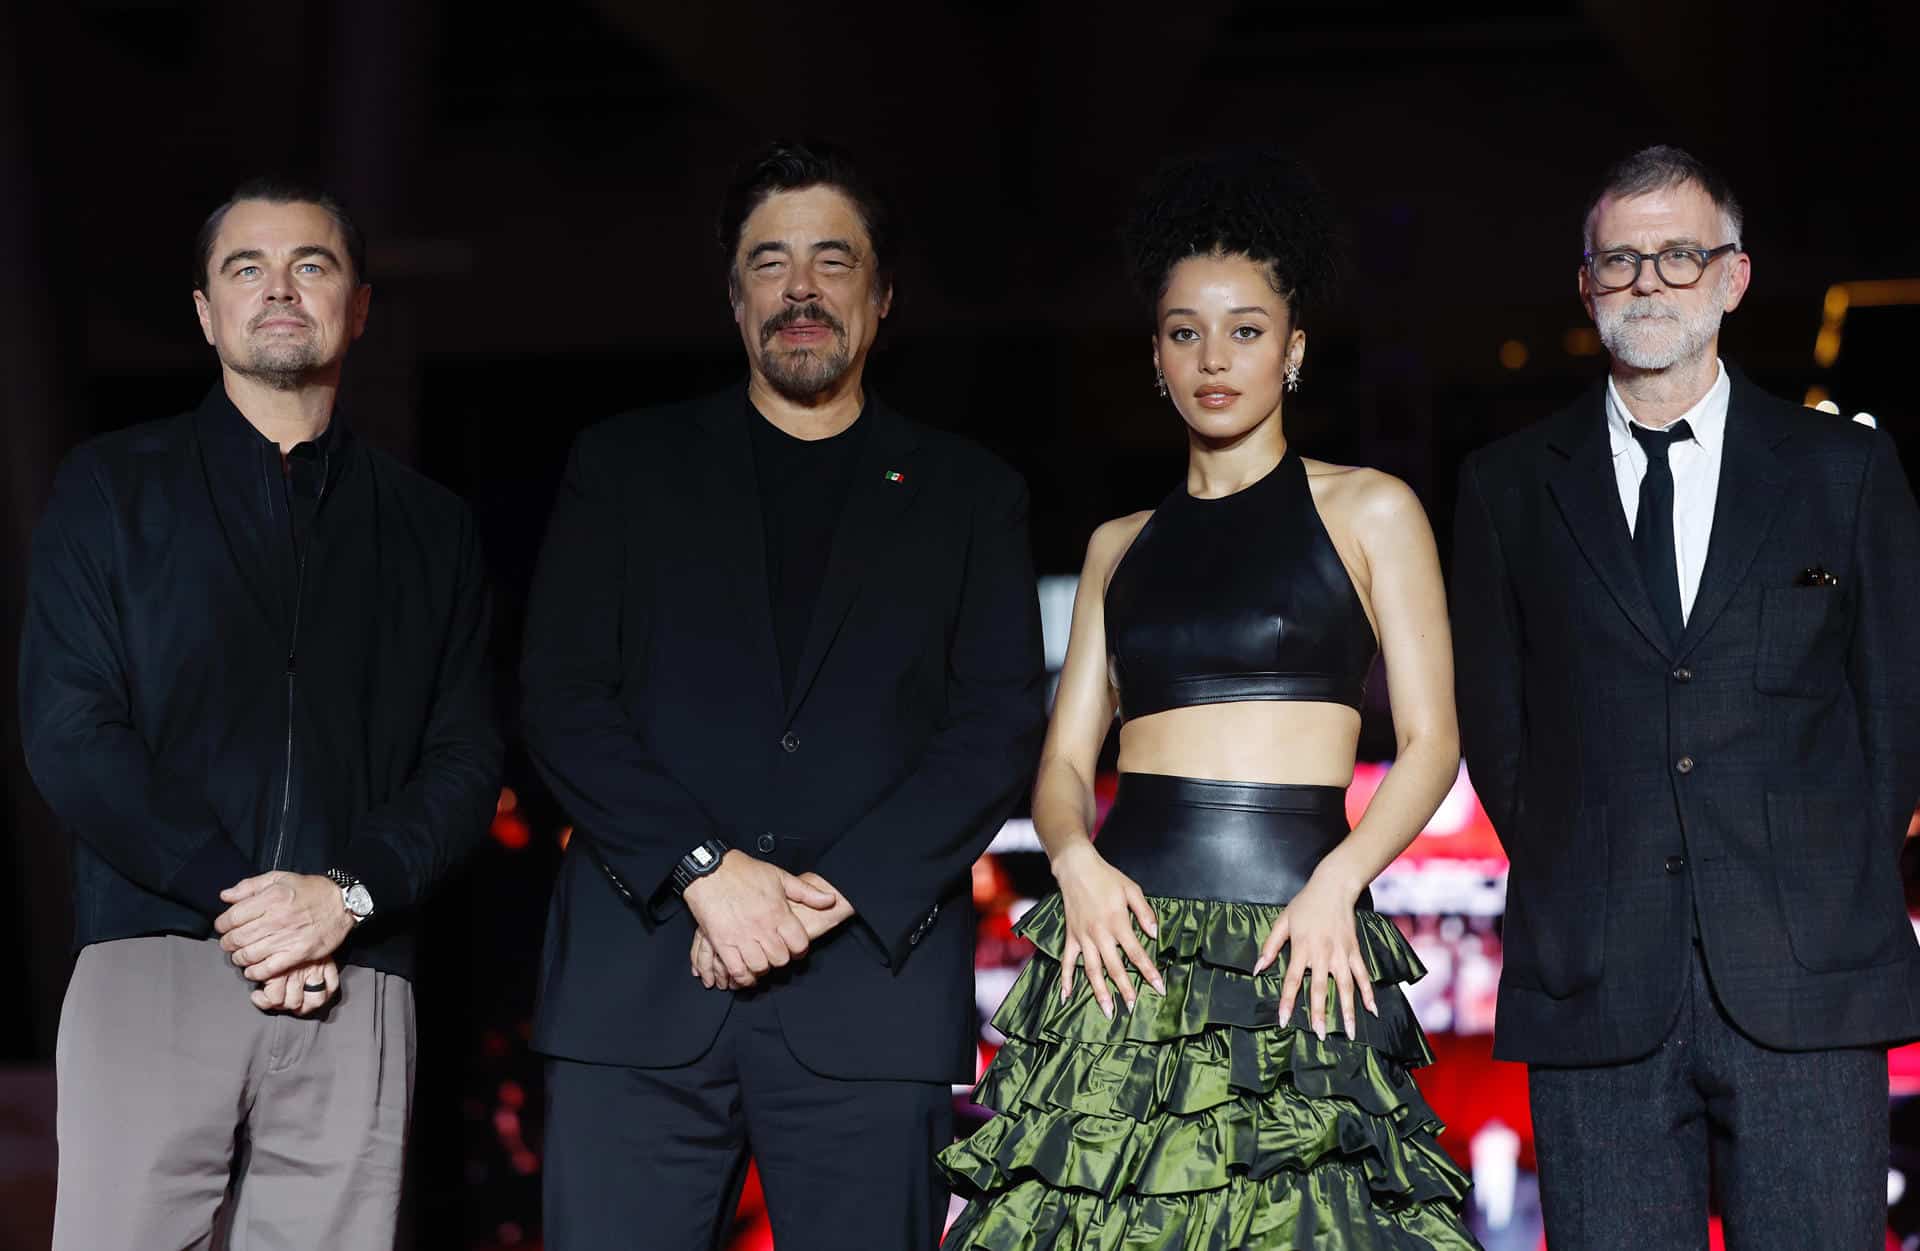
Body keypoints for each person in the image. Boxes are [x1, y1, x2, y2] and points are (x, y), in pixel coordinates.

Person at [939, 149, 1479, 1248]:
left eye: (1245, 329)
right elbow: (1062, 764)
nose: (1214, 357)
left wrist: (1340, 883)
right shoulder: (1116, 546)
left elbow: (1433, 741)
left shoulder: (1373, 511)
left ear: (1294, 349)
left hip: (1300, 941)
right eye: (1185, 332)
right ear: (1155, 355)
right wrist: (1074, 862)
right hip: (1121, 945)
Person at [522, 138, 1047, 1251]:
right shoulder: (624, 467)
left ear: (883, 295)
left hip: (869, 998)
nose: (800, 288)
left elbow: (995, 727)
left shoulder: (970, 494)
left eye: (832, 260)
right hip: (638, 993)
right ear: (734, 297)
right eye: (771, 261)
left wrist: (827, 895)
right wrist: (706, 872)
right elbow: (563, 697)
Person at [19, 178, 503, 1249]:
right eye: (247, 267)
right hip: (156, 952)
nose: (279, 288)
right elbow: (70, 729)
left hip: (356, 961)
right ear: (206, 311)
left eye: (311, 265)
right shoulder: (112, 488)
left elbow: (466, 757)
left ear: (359, 307)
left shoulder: (431, 528)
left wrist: (344, 894)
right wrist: (246, 905)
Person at [1451, 145, 1920, 1248]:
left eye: (1679, 255)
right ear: (1587, 284)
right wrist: (1584, 866)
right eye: (1621, 259)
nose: (1649, 281)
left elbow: (1895, 718)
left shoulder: (1844, 472)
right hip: (1596, 977)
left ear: (1733, 276)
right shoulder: (1507, 487)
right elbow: (1500, 735)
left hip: (1809, 978)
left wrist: (1822, 877)